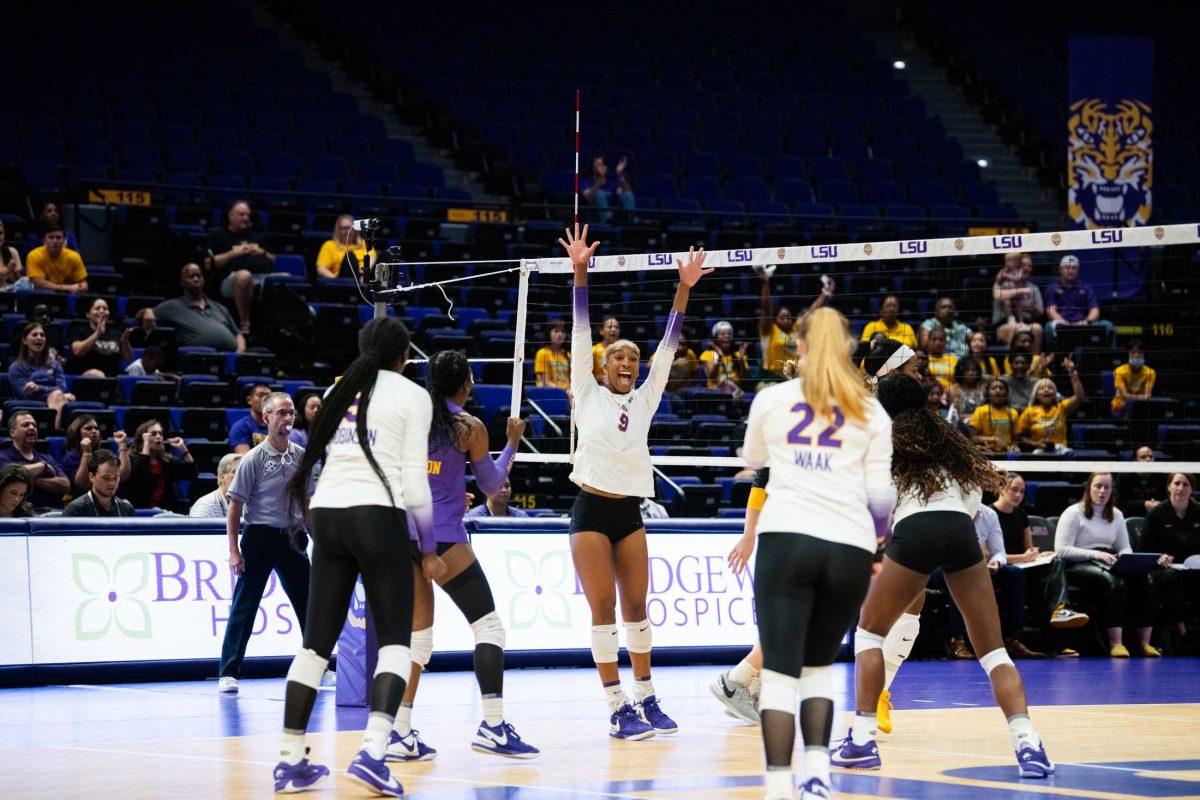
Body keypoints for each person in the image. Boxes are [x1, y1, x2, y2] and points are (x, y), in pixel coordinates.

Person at [832, 373, 1054, 780]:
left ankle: (861, 740)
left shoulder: (882, 441)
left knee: (868, 633)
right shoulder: (948, 441)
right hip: (961, 532)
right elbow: (973, 501)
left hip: (914, 532)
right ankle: (1029, 743)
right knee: (993, 652)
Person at [273, 316, 440, 796]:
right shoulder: (413, 395)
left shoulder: (336, 390)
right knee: (394, 644)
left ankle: (289, 760)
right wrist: (428, 548)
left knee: (314, 645)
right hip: (374, 513)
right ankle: (372, 752)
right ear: (404, 355)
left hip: (327, 513)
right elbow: (415, 484)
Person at [563, 223, 708, 740]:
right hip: (590, 511)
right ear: (603, 367)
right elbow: (581, 331)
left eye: (632, 358)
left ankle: (646, 697)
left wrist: (684, 287)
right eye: (618, 357)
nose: (627, 361)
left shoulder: (644, 399)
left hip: (628, 513)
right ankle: (615, 706)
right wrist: (581, 271)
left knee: (638, 609)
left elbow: (668, 348)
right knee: (603, 608)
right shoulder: (587, 388)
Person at [743, 305, 895, 800]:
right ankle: (816, 774)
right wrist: (874, 546)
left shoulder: (774, 398)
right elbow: (881, 500)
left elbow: (753, 460)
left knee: (781, 671)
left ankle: (778, 785)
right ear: (849, 346)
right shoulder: (873, 411)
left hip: (787, 538)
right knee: (818, 669)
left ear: (800, 346)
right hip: (848, 546)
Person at [385, 350, 538, 762]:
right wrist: (511, 442)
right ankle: (492, 726)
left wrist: (450, 490)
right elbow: (491, 486)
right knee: (489, 627)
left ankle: (398, 733)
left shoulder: (407, 419)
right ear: (466, 384)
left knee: (418, 638)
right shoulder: (467, 427)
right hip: (445, 538)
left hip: (401, 534)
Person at [219, 392, 313, 692]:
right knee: (245, 605)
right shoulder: (252, 460)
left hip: (294, 536)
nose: (287, 417)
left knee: (310, 605)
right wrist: (234, 550)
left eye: (291, 412)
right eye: (281, 413)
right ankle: (228, 671)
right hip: (259, 535)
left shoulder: (301, 456)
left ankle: (318, 667)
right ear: (266, 418)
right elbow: (235, 507)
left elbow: (308, 502)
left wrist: (318, 538)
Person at [1055, 473, 1159, 658]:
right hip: (1077, 564)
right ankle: (1116, 643)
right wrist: (1095, 554)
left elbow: (1124, 546)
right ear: (1089, 488)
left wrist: (1125, 559)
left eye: (1107, 487)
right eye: (1098, 486)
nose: (1102, 491)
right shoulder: (1073, 513)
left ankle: (1144, 642)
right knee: (1113, 581)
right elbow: (1061, 550)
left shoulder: (1117, 514)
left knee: (1146, 578)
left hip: (1107, 560)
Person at [933, 504, 1047, 660]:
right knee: (959, 574)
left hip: (977, 566)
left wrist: (996, 562)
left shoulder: (989, 514)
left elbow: (999, 551)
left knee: (1015, 574)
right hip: (941, 565)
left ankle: (1011, 638)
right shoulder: (947, 509)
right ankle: (957, 640)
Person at [992, 473, 1089, 640]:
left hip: (1022, 565)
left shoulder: (1021, 515)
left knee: (1055, 561)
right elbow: (989, 556)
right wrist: (1023, 558)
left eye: (1022, 492)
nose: (1018, 495)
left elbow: (1028, 549)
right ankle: (1020, 637)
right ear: (1001, 488)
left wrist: (1039, 555)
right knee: (1023, 578)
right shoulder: (989, 514)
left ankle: (1060, 610)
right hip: (1000, 567)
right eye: (1014, 490)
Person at [712, 467, 770, 726]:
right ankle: (735, 682)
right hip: (785, 538)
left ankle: (753, 689)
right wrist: (749, 535)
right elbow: (761, 481)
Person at [1144, 473, 1199, 648]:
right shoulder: (1156, 513)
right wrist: (1159, 558)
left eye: (1185, 484)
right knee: (1172, 578)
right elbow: (1143, 548)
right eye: (1177, 483)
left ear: (1192, 489)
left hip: (1194, 567)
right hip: (1164, 568)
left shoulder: (1198, 511)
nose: (1181, 488)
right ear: (1169, 486)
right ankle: (1184, 635)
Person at [207, 200, 277, 334]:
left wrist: (262, 252)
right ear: (231, 216)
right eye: (241, 214)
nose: (245, 218)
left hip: (261, 276)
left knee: (285, 278)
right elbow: (212, 263)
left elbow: (274, 259)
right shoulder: (218, 235)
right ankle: (245, 324)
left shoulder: (255, 236)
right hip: (230, 279)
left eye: (247, 215)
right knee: (244, 276)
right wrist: (235, 252)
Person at [757, 268, 833, 379]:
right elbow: (766, 309)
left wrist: (824, 294)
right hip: (772, 377)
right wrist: (765, 283)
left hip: (794, 377)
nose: (786, 320)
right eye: (782, 317)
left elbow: (811, 312)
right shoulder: (769, 330)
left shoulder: (796, 328)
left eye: (788, 317)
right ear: (775, 319)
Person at [153, 263, 246, 352]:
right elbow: (145, 312)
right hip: (200, 359)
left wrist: (240, 351)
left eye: (199, 276)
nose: (196, 279)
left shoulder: (219, 307)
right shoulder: (173, 306)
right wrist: (148, 311)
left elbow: (237, 334)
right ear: (182, 281)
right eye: (191, 276)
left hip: (231, 357)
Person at [8, 322, 75, 428]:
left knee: (59, 395)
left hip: (56, 399)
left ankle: (53, 428)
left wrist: (39, 388)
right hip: (27, 405)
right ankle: (55, 430)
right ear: (24, 340)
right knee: (60, 396)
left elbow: (62, 388)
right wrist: (54, 394)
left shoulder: (55, 365)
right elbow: (25, 395)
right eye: (34, 335)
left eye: (42, 335)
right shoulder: (16, 367)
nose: (39, 338)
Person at [122, 419, 198, 511]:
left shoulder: (167, 461)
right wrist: (146, 444)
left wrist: (183, 449)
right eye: (153, 434)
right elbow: (140, 474)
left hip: (165, 512)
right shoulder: (131, 459)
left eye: (160, 433)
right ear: (142, 438)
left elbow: (192, 474)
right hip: (139, 511)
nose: (158, 437)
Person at [0, 412, 70, 510]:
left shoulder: (46, 457)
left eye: (34, 425)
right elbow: (8, 475)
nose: (32, 428)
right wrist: (42, 466)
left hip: (50, 513)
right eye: (25, 425)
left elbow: (65, 484)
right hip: (17, 512)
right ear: (12, 432)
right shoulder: (3, 455)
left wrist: (28, 478)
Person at [1044, 255, 1113, 345]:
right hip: (1062, 324)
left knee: (1108, 325)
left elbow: (1095, 310)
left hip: (1083, 325)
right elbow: (1050, 311)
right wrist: (1065, 323)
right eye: (1067, 267)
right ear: (1060, 269)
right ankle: (1051, 356)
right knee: (1049, 326)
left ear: (1078, 271)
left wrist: (1086, 321)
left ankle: (1109, 357)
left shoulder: (1086, 288)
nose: (1070, 270)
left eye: (1074, 268)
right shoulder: (1052, 288)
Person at [1016, 365, 1084, 453]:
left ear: (1055, 393)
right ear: (1036, 394)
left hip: (1061, 449)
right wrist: (1035, 443)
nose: (1046, 390)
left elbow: (1079, 397)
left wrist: (1073, 374)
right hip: (1038, 450)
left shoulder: (1061, 407)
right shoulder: (1029, 411)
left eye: (1050, 388)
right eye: (1042, 388)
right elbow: (1019, 437)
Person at [62, 415, 130, 498]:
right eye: (88, 428)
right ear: (76, 432)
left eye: (96, 428)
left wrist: (122, 444)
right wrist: (86, 453)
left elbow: (122, 476)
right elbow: (83, 484)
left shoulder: (105, 453)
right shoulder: (71, 456)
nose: (94, 431)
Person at [68, 297, 132, 377]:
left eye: (105, 309)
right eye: (97, 308)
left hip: (113, 379)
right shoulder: (78, 331)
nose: (101, 311)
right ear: (88, 314)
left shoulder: (116, 333)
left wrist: (125, 341)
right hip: (87, 377)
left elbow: (129, 358)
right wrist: (97, 334)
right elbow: (77, 351)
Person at [62, 449, 135, 517]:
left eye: (116, 477)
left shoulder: (126, 508)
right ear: (91, 477)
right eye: (106, 478)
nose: (112, 483)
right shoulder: (75, 510)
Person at [993, 251, 1043, 350]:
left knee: (1037, 328)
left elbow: (1040, 313)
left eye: (1030, 266)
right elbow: (998, 295)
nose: (1026, 268)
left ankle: (1035, 361)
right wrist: (1021, 291)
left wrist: (1032, 307)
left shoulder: (1034, 288)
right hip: (1004, 324)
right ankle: (1013, 361)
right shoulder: (1001, 283)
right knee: (1014, 327)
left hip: (1026, 322)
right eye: (1024, 265)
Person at [24, 227, 88, 293]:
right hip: (43, 295)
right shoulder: (34, 255)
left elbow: (82, 282)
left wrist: (82, 286)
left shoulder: (74, 256)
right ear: (44, 240)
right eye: (51, 237)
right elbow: (38, 283)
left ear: (64, 241)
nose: (55, 241)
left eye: (58, 238)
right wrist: (67, 288)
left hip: (69, 295)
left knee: (98, 302)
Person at [969, 379, 1021, 453]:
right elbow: (973, 438)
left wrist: (1015, 447)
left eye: (1001, 388)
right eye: (993, 388)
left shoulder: (1013, 413)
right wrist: (994, 439)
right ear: (988, 393)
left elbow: (1016, 440)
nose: (998, 390)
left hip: (1007, 453)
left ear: (1006, 392)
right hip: (986, 452)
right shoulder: (980, 411)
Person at [316, 214, 373, 279]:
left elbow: (372, 260)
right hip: (342, 279)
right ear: (338, 230)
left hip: (364, 278)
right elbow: (321, 269)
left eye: (351, 228)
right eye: (344, 228)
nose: (348, 231)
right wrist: (335, 279)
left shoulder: (364, 244)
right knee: (350, 257)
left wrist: (362, 275)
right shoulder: (329, 245)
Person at [581, 154, 635, 222]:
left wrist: (620, 174)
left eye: (601, 164)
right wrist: (601, 178)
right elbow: (588, 197)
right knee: (600, 193)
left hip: (613, 213)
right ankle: (608, 221)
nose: (598, 167)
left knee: (628, 195)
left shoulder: (610, 183)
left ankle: (630, 221)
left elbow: (628, 192)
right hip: (595, 214)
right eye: (597, 164)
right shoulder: (586, 181)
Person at [700, 321, 750, 395]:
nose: (727, 336)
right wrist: (720, 358)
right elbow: (712, 378)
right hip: (716, 391)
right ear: (715, 338)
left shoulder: (739, 355)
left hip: (736, 390)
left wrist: (741, 361)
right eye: (722, 334)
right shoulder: (708, 354)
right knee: (725, 381)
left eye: (729, 334)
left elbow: (745, 380)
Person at [189, 453, 243, 518]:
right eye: (235, 472)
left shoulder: (254, 503)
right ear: (221, 477)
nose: (242, 476)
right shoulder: (205, 506)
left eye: (244, 472)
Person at [1111, 340, 1155, 417]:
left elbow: (1148, 395)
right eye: (1133, 352)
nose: (1136, 355)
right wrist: (1141, 397)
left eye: (1140, 352)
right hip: (1120, 407)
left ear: (1144, 355)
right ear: (1128, 354)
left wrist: (1139, 398)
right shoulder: (1119, 371)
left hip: (1141, 407)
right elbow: (1125, 396)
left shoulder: (1150, 372)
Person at [1118, 446, 1164, 517]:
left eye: (1151, 457)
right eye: (1143, 457)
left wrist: (1157, 504)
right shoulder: (1124, 476)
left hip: (1155, 516)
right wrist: (1144, 504)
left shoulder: (1161, 476)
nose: (1148, 459)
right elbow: (1121, 503)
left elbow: (1165, 500)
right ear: (1135, 461)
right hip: (1129, 516)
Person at [230, 382, 272, 453]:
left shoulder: (278, 426)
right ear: (249, 400)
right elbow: (245, 461)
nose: (265, 399)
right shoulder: (240, 427)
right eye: (260, 395)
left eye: (268, 396)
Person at [465, 477, 530, 518]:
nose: (504, 490)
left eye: (507, 486)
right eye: (498, 486)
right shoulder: (473, 517)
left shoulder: (521, 517)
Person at [533, 319, 570, 389]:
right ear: (548, 334)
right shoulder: (542, 353)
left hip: (568, 393)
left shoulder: (568, 355)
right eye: (556, 331)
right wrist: (564, 391)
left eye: (563, 332)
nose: (560, 334)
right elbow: (545, 382)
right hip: (550, 394)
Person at [949, 356, 988, 420]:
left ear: (978, 372)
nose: (971, 373)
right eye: (967, 370)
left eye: (973, 370)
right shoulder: (953, 390)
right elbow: (956, 415)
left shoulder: (984, 389)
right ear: (960, 371)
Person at [590, 314, 621, 380]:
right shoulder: (593, 351)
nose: (613, 329)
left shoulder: (624, 351)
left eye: (617, 327)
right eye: (610, 327)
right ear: (601, 331)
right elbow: (587, 377)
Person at [0, 219, 26, 290]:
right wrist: (7, 270)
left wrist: (14, 274)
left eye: (1, 233)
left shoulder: (12, 251)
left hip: (8, 292)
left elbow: (16, 280)